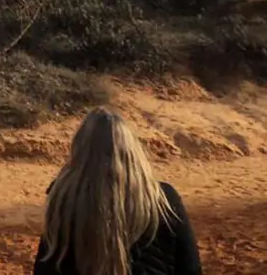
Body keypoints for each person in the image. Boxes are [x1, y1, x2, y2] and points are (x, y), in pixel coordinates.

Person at [33, 107, 202, 275]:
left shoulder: (64, 197)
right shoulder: (164, 198)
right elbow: (191, 268)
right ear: (132, 151)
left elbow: (45, 268)